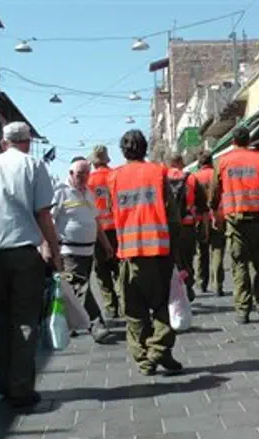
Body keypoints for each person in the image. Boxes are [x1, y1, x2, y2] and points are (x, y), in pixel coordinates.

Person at [0, 121, 60, 407]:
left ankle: (5, 382)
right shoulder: (33, 166)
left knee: (3, 320)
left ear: (2, 141)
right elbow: (43, 214)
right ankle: (20, 386)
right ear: (28, 141)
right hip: (23, 255)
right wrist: (54, 253)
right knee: (24, 321)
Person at [108, 130, 183, 376]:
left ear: (123, 151)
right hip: (158, 250)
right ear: (145, 148)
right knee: (163, 305)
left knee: (135, 310)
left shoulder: (114, 178)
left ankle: (145, 358)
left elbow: (111, 214)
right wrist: (180, 254)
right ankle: (157, 351)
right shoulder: (158, 173)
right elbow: (172, 217)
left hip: (128, 253)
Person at [210, 128, 259, 324]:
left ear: (233, 141)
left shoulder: (222, 161)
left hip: (235, 221)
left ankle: (243, 310)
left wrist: (215, 212)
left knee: (239, 264)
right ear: (248, 140)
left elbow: (215, 191)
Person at [51, 157, 112, 344]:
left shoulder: (88, 193)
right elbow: (50, 221)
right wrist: (51, 247)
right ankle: (96, 324)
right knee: (81, 288)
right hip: (69, 250)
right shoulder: (61, 192)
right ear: (70, 174)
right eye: (79, 174)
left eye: (86, 174)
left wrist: (106, 244)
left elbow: (95, 221)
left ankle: (69, 324)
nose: (83, 177)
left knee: (73, 289)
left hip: (88, 251)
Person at [166, 154, 207, 301]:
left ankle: (173, 290)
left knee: (172, 261)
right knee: (188, 260)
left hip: (168, 229)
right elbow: (202, 206)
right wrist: (204, 228)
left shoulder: (162, 178)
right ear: (179, 162)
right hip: (187, 227)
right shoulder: (190, 178)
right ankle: (188, 284)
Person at [87, 145, 121, 318]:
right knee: (120, 268)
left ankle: (111, 306)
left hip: (98, 231)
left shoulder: (89, 180)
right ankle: (124, 300)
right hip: (118, 230)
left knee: (102, 271)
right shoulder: (116, 175)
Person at [193, 151, 225, 296]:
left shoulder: (195, 177)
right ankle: (217, 284)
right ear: (211, 161)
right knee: (217, 250)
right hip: (218, 216)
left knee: (202, 252)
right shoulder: (217, 175)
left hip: (200, 219)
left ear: (200, 163)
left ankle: (201, 282)